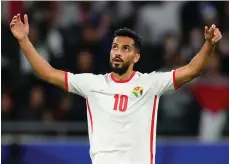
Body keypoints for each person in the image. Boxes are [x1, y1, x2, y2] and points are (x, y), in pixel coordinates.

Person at [10, 13, 222, 164]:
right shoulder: (92, 84)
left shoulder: (150, 83)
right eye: (114, 47)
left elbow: (192, 70)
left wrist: (209, 45)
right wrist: (24, 40)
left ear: (136, 56)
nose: (117, 52)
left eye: (125, 48)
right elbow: (47, 73)